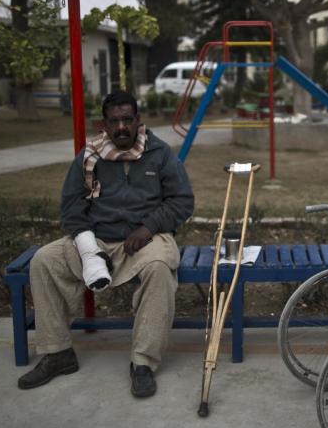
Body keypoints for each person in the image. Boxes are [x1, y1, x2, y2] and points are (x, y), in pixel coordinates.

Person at [17, 90, 195, 398]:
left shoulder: (160, 153)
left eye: (128, 119)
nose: (122, 127)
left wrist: (148, 226)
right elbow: (71, 208)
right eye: (115, 121)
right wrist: (89, 249)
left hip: (145, 240)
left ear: (139, 121)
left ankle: (142, 363)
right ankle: (58, 353)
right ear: (105, 124)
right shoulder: (89, 155)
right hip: (97, 238)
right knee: (44, 260)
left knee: (159, 268)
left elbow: (182, 201)